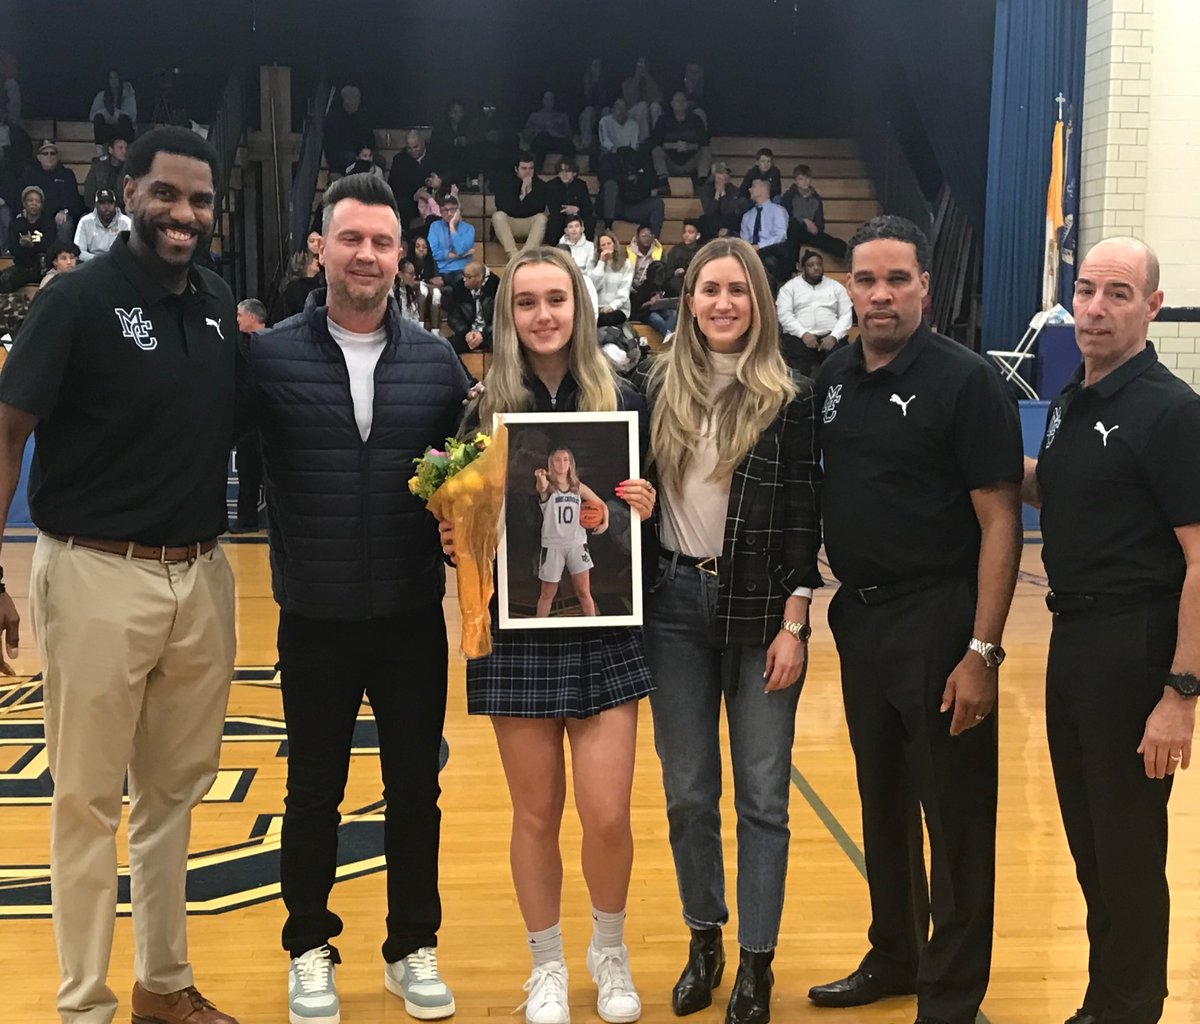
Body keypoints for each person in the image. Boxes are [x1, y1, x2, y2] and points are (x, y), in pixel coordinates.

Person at [0, 125, 240, 1024]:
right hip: (97, 574)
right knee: (87, 803)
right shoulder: (77, 299)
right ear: (128, 188)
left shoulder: (216, 303)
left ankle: (162, 988)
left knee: (174, 800)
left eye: (201, 200)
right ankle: (83, 1007)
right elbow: (9, 430)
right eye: (167, 194)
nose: (184, 214)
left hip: (201, 579)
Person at [243, 172, 469, 1024]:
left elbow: (470, 482)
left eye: (381, 242)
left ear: (400, 256)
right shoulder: (266, 361)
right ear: (319, 248)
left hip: (413, 620)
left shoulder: (439, 365)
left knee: (417, 791)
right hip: (314, 622)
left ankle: (413, 944)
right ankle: (309, 945)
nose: (366, 255)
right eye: (351, 239)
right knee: (313, 795)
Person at [809, 215, 1023, 1024]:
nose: (881, 295)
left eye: (898, 279)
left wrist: (982, 651)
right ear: (849, 287)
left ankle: (953, 993)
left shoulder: (967, 382)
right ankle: (895, 954)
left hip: (942, 620)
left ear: (925, 288)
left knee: (956, 813)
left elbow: (1001, 521)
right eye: (866, 280)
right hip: (861, 621)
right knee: (883, 800)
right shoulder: (833, 378)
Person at [439, 244, 656, 1024]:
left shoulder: (625, 397)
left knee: (607, 815)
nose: (542, 315)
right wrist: (457, 528)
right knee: (534, 815)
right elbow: (462, 520)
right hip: (519, 634)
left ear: (580, 306)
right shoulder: (481, 410)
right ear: (508, 315)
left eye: (555, 299)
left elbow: (640, 529)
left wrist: (642, 504)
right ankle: (547, 967)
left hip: (605, 631)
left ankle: (610, 949)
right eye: (525, 302)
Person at [640, 236, 821, 1024]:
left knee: (762, 797)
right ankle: (703, 937)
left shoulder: (791, 396)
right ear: (689, 301)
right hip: (674, 603)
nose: (722, 303)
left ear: (759, 303)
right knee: (687, 793)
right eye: (709, 290)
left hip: (762, 613)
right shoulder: (654, 389)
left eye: (738, 291)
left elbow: (808, 519)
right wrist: (634, 506)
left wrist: (796, 621)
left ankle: (757, 962)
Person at [1021, 236, 1200, 1024]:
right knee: (1092, 844)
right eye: (1087, 291)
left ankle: (1131, 1006)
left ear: (1152, 307)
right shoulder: (1071, 399)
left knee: (1127, 848)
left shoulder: (1172, 411)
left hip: (1136, 649)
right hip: (1073, 643)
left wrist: (1182, 693)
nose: (1095, 309)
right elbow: (1059, 494)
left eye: (1117, 294)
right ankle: (1107, 998)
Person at [533, 446, 609, 617]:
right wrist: (540, 477)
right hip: (553, 545)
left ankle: (592, 628)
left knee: (584, 593)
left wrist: (605, 523)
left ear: (571, 463)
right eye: (557, 460)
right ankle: (537, 630)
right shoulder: (549, 487)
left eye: (565, 459)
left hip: (576, 543)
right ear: (551, 463)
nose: (562, 463)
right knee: (546, 595)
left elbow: (602, 505)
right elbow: (541, 486)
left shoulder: (577, 487)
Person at [775, 251, 851, 377]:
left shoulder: (835, 287)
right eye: (811, 265)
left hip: (831, 336)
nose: (816, 268)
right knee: (799, 368)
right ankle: (802, 395)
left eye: (819, 264)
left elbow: (846, 313)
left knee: (841, 364)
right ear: (803, 267)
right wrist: (803, 334)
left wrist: (834, 336)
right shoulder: (790, 288)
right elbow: (784, 315)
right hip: (799, 337)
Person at [779, 165, 847, 260]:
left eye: (807, 178)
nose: (805, 182)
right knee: (794, 229)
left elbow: (820, 223)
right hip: (792, 232)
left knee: (836, 245)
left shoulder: (816, 198)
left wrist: (816, 229)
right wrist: (804, 220)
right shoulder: (789, 196)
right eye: (801, 179)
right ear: (795, 181)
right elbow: (783, 218)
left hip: (809, 232)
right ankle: (792, 267)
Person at [22, 140, 83, 243]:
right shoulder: (29, 175)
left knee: (65, 223)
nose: (49, 156)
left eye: (52, 153)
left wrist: (65, 211)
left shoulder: (67, 174)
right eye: (45, 153)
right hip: (35, 215)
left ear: (57, 156)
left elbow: (74, 201)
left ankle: (63, 256)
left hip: (58, 216)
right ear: (38, 157)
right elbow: (20, 198)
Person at [649, 91, 711, 194]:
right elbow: (654, 141)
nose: (680, 103)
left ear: (687, 104)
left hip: (690, 162)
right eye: (677, 101)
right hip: (671, 163)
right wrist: (674, 146)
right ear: (672, 104)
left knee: (706, 150)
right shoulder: (663, 120)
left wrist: (688, 146)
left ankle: (702, 181)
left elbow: (704, 141)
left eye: (683, 101)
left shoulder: (696, 120)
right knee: (656, 151)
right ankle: (664, 181)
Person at [491, 153, 548, 259]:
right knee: (498, 216)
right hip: (510, 224)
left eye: (531, 168)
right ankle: (513, 256)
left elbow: (538, 208)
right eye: (524, 168)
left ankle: (526, 255)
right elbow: (503, 207)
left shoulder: (540, 185)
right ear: (516, 169)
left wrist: (529, 192)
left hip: (529, 226)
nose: (528, 171)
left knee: (541, 217)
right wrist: (522, 194)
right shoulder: (504, 183)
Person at [597, 151, 664, 239]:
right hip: (616, 208)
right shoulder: (610, 160)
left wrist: (639, 180)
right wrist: (626, 179)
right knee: (610, 186)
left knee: (658, 203)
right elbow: (603, 178)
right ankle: (607, 230)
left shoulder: (645, 161)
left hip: (636, 206)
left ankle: (653, 243)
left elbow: (653, 188)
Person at [0, 185, 54, 291]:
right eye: (30, 200)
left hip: (41, 267)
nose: (34, 204)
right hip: (22, 265)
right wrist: (22, 244)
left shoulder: (49, 223)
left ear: (42, 204)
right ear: (24, 203)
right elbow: (12, 248)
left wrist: (32, 245)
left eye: (37, 201)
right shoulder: (16, 224)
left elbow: (50, 245)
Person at [739, 179, 790, 287]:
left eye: (753, 186)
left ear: (763, 188)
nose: (749, 189)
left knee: (770, 261)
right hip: (751, 252)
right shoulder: (747, 216)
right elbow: (744, 239)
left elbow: (781, 235)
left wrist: (759, 246)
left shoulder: (778, 211)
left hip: (772, 251)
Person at [446, 261, 497, 354]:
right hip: (468, 334)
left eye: (468, 277)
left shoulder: (496, 288)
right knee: (445, 347)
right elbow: (453, 317)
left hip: (492, 335)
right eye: (464, 275)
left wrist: (483, 334)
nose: (464, 279)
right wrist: (466, 333)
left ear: (480, 277)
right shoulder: (459, 288)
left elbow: (502, 319)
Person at [323, 85, 374, 179]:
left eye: (358, 98)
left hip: (360, 157)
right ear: (346, 100)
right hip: (340, 161)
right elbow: (332, 147)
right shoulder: (333, 119)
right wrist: (356, 156)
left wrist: (366, 150)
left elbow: (369, 139)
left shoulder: (361, 118)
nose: (358, 101)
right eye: (355, 98)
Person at [388, 131, 435, 229]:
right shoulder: (399, 160)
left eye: (416, 147)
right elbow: (393, 185)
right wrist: (414, 195)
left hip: (432, 197)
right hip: (409, 201)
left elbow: (444, 177)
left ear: (423, 143)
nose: (413, 151)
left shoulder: (435, 156)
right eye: (409, 148)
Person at [427, 193, 474, 289]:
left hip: (461, 271)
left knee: (460, 284)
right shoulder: (435, 226)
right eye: (445, 210)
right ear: (440, 212)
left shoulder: (469, 229)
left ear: (458, 211)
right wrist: (458, 256)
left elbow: (460, 249)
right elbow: (433, 253)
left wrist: (452, 226)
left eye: (452, 209)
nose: (449, 213)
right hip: (440, 271)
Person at [544, 158, 594, 249]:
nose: (564, 174)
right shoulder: (551, 185)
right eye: (561, 171)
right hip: (560, 215)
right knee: (554, 220)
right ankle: (554, 248)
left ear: (574, 173)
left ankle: (586, 248)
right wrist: (566, 211)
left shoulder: (581, 185)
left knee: (589, 220)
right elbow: (552, 207)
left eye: (568, 171)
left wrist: (577, 210)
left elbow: (588, 207)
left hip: (578, 215)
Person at [588, 230, 634, 327]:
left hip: (618, 308)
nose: (606, 247)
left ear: (614, 245)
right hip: (597, 307)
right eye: (603, 245)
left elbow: (624, 291)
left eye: (609, 243)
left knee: (603, 320)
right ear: (599, 248)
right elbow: (592, 286)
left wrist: (611, 307)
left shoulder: (626, 264)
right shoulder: (593, 263)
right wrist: (601, 262)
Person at [521, 90, 575, 172]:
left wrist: (557, 129)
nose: (549, 102)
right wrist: (539, 130)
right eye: (546, 99)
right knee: (542, 138)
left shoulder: (562, 117)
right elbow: (526, 133)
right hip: (540, 142)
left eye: (551, 99)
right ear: (543, 101)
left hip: (557, 141)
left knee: (569, 146)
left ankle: (568, 171)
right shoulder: (534, 116)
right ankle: (538, 171)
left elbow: (569, 134)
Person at [467, 99, 516, 188]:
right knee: (473, 153)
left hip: (499, 152)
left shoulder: (503, 122)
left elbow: (512, 137)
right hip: (480, 152)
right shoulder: (475, 122)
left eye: (492, 107)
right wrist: (485, 137)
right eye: (486, 108)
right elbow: (470, 139)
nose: (489, 110)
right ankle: (475, 183)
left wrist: (498, 136)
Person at [74, 188, 131, 261]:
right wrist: (100, 261)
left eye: (110, 203)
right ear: (96, 205)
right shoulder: (85, 221)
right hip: (91, 263)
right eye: (102, 203)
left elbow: (130, 252)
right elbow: (79, 251)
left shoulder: (126, 222)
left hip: (117, 263)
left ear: (115, 204)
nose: (107, 207)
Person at [89, 71, 137, 154]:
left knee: (124, 119)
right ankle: (101, 152)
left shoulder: (128, 94)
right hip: (107, 129)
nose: (114, 81)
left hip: (122, 129)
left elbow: (133, 115)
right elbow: (92, 115)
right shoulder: (101, 95)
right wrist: (105, 114)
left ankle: (125, 151)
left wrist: (119, 114)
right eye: (111, 78)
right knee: (98, 119)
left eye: (116, 78)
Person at [629, 260, 676, 337]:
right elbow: (636, 307)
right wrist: (650, 302)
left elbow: (674, 299)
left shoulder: (667, 286)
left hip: (664, 311)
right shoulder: (644, 288)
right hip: (648, 313)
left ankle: (668, 335)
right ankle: (668, 335)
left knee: (673, 314)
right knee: (656, 318)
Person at [621, 57, 663, 141]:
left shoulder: (651, 80)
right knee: (642, 105)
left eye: (644, 63)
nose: (642, 66)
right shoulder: (627, 81)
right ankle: (644, 140)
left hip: (648, 112)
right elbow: (630, 100)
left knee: (656, 106)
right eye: (640, 63)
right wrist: (637, 77)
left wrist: (646, 76)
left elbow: (659, 98)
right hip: (631, 113)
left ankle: (657, 138)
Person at [429, 100, 470, 187]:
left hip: (460, 162)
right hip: (443, 162)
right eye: (455, 112)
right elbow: (435, 145)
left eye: (460, 112)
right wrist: (454, 142)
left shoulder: (466, 126)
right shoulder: (440, 127)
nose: (458, 115)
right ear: (449, 113)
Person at [698, 163, 741, 240]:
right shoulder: (705, 190)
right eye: (721, 173)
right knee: (703, 220)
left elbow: (727, 211)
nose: (724, 176)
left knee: (734, 219)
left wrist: (723, 193)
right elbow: (708, 212)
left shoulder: (735, 190)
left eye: (726, 173)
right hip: (712, 223)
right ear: (714, 175)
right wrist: (717, 195)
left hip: (727, 222)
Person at [83, 137, 128, 211]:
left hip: (122, 211)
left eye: (126, 148)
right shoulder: (98, 167)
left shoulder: (129, 169)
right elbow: (89, 193)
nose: (124, 151)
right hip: (98, 209)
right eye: (120, 148)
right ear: (110, 150)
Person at [577, 58, 612, 152]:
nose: (597, 69)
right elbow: (582, 103)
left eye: (598, 66)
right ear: (590, 68)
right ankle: (586, 143)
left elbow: (608, 101)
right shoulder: (582, 83)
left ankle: (606, 143)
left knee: (607, 111)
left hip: (602, 111)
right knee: (589, 110)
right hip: (587, 115)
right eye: (594, 66)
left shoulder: (607, 83)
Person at [394, 257, 440, 327]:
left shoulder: (410, 291)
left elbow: (414, 317)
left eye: (414, 273)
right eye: (411, 274)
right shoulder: (392, 293)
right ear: (400, 275)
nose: (414, 276)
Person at [281, 248, 323, 318]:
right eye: (312, 259)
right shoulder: (294, 287)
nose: (316, 261)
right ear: (304, 263)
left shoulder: (320, 283)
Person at [664, 219, 701, 297]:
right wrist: (675, 272)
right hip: (678, 282)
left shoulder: (702, 251)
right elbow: (668, 270)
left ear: (698, 235)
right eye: (684, 232)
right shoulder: (676, 250)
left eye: (690, 232)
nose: (686, 235)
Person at [626, 224, 663, 289]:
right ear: (637, 237)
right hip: (631, 286)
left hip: (650, 286)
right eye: (643, 236)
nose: (647, 238)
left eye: (649, 236)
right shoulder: (627, 252)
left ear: (653, 237)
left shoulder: (659, 252)